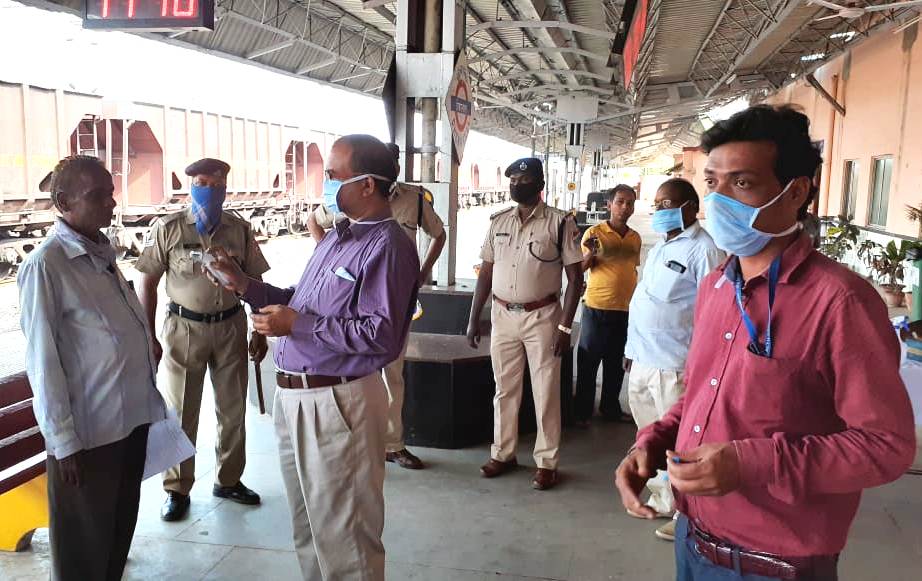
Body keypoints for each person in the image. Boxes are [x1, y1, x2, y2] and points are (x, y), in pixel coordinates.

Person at [614, 105, 915, 581]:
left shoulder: (840, 302)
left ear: (795, 192)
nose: (719, 201)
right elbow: (702, 393)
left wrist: (753, 462)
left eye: (742, 183)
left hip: (772, 565)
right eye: (712, 183)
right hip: (693, 541)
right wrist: (653, 441)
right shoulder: (716, 286)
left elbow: (885, 446)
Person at [208, 134, 419, 581]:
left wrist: (296, 326)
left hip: (338, 403)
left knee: (346, 539)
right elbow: (302, 302)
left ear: (367, 185)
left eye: (334, 175)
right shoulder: (337, 238)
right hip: (296, 400)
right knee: (309, 529)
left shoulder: (389, 246)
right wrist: (244, 284)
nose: (326, 184)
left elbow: (380, 336)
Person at [19, 156, 166, 581]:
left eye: (111, 193)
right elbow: (43, 362)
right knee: (83, 554)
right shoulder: (47, 265)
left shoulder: (100, 253)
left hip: (128, 425)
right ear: (63, 202)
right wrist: (63, 442)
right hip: (89, 438)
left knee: (115, 538)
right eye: (98, 196)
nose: (111, 204)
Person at [135, 158, 269, 521]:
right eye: (200, 183)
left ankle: (229, 480)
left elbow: (256, 282)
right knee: (180, 411)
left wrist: (259, 329)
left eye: (214, 184)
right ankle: (177, 489)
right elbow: (147, 280)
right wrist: (148, 335)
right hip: (184, 329)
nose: (207, 190)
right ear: (189, 186)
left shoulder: (239, 230)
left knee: (233, 409)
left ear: (225, 187)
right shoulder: (169, 228)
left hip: (230, 327)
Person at [306, 143, 446, 470]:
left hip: (391, 297)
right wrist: (329, 257)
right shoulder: (350, 196)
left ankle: (393, 444)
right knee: (352, 367)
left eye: (393, 161)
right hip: (350, 296)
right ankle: (359, 440)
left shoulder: (414, 199)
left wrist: (423, 272)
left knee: (393, 371)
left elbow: (438, 234)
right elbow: (314, 221)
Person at [466, 157, 583, 491]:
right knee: (504, 389)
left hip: (542, 317)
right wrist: (474, 318)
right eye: (513, 180)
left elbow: (576, 280)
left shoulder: (560, 223)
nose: (516, 185)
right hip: (502, 315)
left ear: (540, 184)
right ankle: (503, 454)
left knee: (545, 391)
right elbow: (486, 273)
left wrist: (564, 327)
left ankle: (546, 462)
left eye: (524, 179)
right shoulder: (498, 221)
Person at [622, 178, 724, 542]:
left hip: (676, 366)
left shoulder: (704, 250)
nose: (660, 211)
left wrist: (703, 365)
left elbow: (715, 312)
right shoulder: (661, 247)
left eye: (668, 204)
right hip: (644, 360)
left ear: (691, 208)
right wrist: (630, 352)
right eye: (658, 204)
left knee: (681, 446)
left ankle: (687, 515)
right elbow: (645, 302)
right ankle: (664, 499)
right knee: (650, 438)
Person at [574, 185, 641, 427]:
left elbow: (632, 269)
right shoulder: (594, 233)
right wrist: (590, 254)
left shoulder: (635, 238)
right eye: (620, 202)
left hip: (625, 309)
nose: (625, 207)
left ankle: (610, 408)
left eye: (630, 203)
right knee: (589, 361)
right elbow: (579, 269)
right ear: (609, 205)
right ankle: (582, 411)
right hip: (597, 307)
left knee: (616, 363)